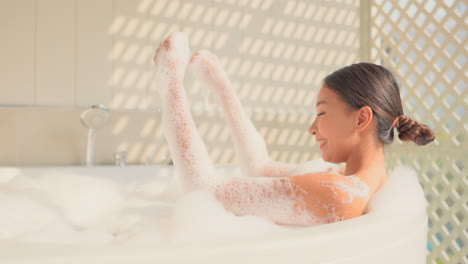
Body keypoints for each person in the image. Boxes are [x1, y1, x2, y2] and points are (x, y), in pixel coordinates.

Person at [153, 32, 435, 226]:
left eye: (322, 113)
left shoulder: (339, 192)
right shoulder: (357, 182)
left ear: (361, 119)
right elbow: (260, 168)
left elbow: (203, 191)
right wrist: (224, 90)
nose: (312, 128)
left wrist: (171, 83)